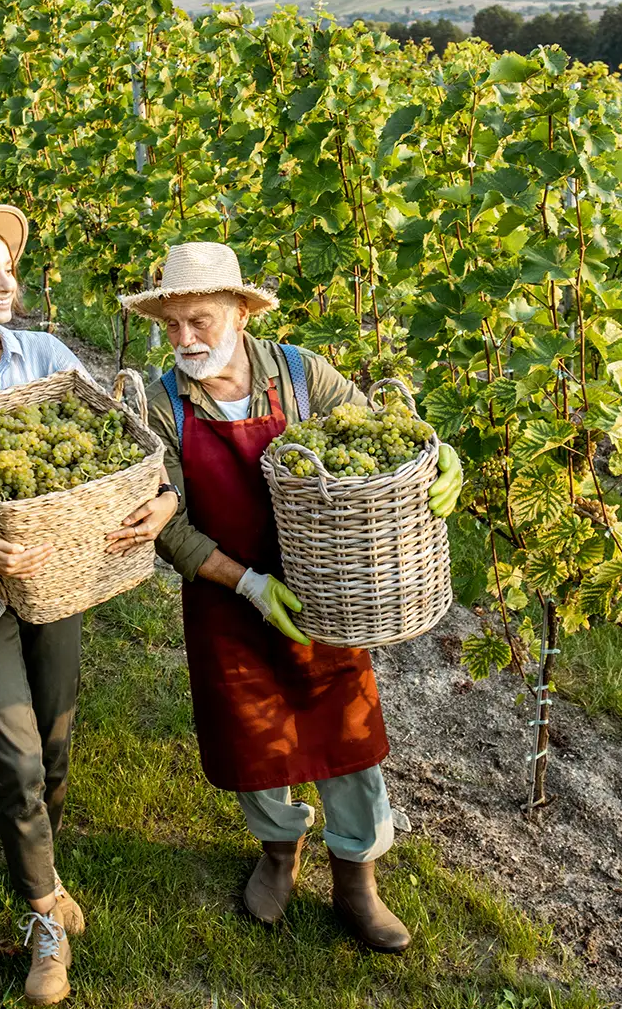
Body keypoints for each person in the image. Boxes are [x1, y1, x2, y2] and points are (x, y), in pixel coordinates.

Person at [120, 241, 462, 952]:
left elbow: (378, 434)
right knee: (250, 732)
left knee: (347, 733)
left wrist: (438, 453)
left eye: (202, 321)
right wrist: (245, 584)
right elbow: (170, 525)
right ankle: (279, 851)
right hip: (226, 591)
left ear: (241, 314)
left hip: (323, 591)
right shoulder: (161, 407)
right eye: (173, 325)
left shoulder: (302, 376)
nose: (185, 340)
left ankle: (356, 877)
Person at [0, 204, 179, 1004]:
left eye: (8, 270)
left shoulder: (47, 354)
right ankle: (44, 914)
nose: (6, 284)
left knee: (54, 741)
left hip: (56, 571)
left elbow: (118, 436)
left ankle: (39, 859)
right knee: (15, 756)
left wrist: (160, 495)